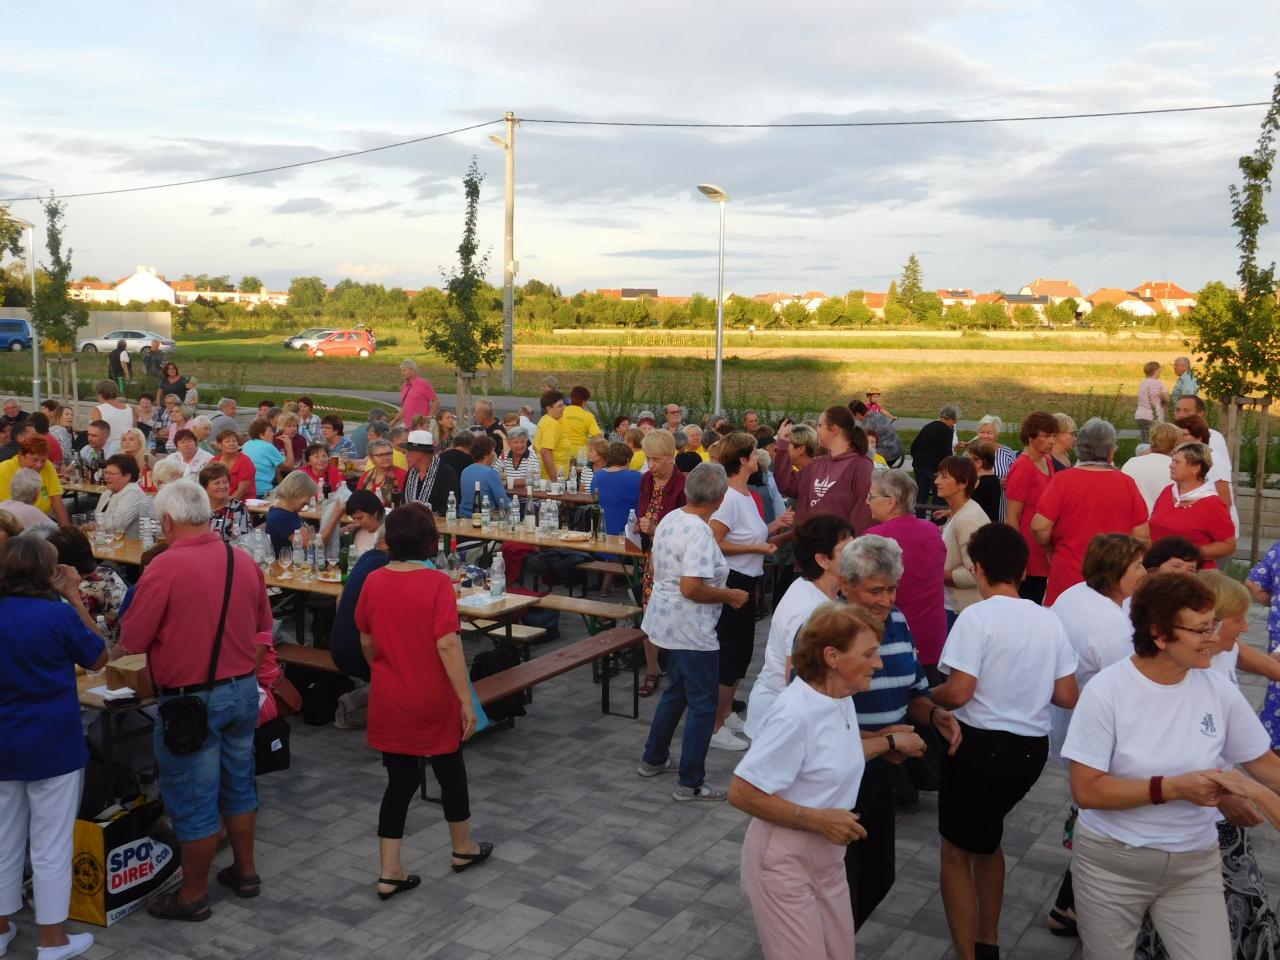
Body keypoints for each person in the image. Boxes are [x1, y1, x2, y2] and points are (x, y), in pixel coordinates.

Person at [1062, 572, 1280, 960]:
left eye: (1213, 625)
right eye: (1201, 629)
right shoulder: (1107, 692)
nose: (1213, 637)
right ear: (1160, 634)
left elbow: (1265, 765)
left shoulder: (1218, 690)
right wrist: (1173, 788)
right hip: (1113, 864)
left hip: (1195, 864)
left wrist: (1250, 789)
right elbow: (1087, 790)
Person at [120, 480, 273, 921]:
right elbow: (264, 627)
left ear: (168, 521)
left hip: (191, 701)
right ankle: (246, 873)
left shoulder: (164, 567)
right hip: (241, 690)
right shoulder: (242, 560)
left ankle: (192, 896)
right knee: (239, 787)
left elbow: (133, 638)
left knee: (193, 800)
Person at [931, 522, 1079, 960]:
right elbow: (1066, 695)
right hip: (1030, 751)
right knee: (987, 839)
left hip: (978, 748)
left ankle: (970, 953)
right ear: (1022, 570)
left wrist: (926, 696)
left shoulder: (977, 617)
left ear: (978, 569)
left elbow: (959, 692)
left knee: (955, 852)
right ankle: (989, 940)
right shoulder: (1048, 619)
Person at [730, 602, 908, 960]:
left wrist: (885, 739)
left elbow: (830, 750)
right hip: (782, 864)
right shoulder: (795, 714)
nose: (878, 663)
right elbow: (741, 792)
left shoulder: (840, 698)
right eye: (869, 654)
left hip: (827, 859)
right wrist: (818, 819)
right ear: (832, 656)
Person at [1130, 571, 1280, 960]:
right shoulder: (1165, 680)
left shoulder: (1222, 657)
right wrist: (1227, 792)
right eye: (1237, 620)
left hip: (1212, 820)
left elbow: (1262, 762)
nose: (1245, 627)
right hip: (1181, 829)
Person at [355, 503, 491, 896]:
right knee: (450, 771)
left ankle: (389, 870)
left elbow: (367, 641)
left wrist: (384, 667)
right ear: (427, 540)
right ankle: (462, 847)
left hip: (390, 694)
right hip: (432, 694)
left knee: (399, 782)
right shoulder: (436, 584)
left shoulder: (373, 581)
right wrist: (466, 700)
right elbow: (447, 645)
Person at [840, 535, 961, 927]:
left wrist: (934, 714)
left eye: (891, 589)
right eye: (875, 590)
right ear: (845, 585)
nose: (886, 600)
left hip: (881, 771)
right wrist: (884, 742)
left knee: (878, 876)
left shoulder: (897, 622)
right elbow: (814, 724)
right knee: (842, 882)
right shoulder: (827, 632)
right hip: (839, 777)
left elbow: (913, 692)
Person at [0, 535, 105, 960]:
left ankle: (1, 928)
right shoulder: (57, 615)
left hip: (5, 740)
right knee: (51, 844)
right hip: (53, 742)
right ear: (48, 571)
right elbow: (98, 655)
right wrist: (73, 597)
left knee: (3, 839)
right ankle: (52, 939)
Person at [1044, 533, 1148, 937]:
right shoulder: (1112, 629)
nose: (1145, 572)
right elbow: (1131, 694)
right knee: (1104, 818)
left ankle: (1068, 906)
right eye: (1138, 566)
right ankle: (1076, 905)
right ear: (1115, 573)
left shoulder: (1073, 594)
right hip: (1097, 737)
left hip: (1065, 723)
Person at [637, 463, 749, 801]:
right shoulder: (700, 532)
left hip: (665, 620)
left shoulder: (671, 518)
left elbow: (655, 565)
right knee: (703, 703)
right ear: (719, 498)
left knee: (678, 690)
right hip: (691, 627)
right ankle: (690, 781)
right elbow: (691, 587)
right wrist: (729, 595)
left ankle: (654, 757)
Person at [708, 434, 792, 750]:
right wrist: (757, 547)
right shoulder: (729, 497)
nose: (759, 458)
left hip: (748, 579)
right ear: (743, 460)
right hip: (733, 581)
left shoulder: (744, 495)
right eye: (754, 454)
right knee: (731, 653)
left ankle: (726, 712)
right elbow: (714, 542)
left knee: (742, 652)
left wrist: (775, 526)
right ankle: (714, 726)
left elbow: (748, 535)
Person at [745, 515, 854, 740]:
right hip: (782, 721)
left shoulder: (818, 590)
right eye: (848, 550)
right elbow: (796, 678)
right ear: (823, 560)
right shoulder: (809, 609)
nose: (858, 555)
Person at [1032, 417, 1150, 605]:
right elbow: (1142, 535)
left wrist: (1049, 548)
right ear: (1111, 450)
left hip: (1068, 578)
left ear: (1080, 447)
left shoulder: (1063, 480)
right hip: (1113, 579)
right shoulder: (1126, 483)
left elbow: (1040, 527)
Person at [864, 469, 949, 682]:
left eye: (871, 496)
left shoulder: (874, 539)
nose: (867, 502)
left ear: (890, 503)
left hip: (895, 640)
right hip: (933, 637)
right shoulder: (932, 531)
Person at [636, 429, 687, 696]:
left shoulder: (682, 485)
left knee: (675, 615)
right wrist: (640, 526)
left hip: (674, 561)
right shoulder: (646, 479)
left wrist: (656, 529)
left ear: (671, 456)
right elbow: (642, 511)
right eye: (648, 458)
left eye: (656, 459)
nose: (651, 465)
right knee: (649, 615)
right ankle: (652, 670)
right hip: (650, 557)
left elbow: (687, 528)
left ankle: (678, 670)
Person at [773, 405, 875, 539]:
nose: (817, 430)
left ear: (834, 429)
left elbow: (863, 516)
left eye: (820, 425)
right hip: (809, 547)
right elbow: (787, 486)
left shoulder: (862, 466)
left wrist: (851, 548)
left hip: (840, 548)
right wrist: (783, 445)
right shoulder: (818, 463)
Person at [1148, 442, 1236, 569]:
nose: (1171, 465)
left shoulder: (1212, 503)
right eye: (1172, 461)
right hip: (1159, 570)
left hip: (1193, 574)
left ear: (1195, 468)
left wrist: (1189, 554)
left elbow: (1228, 545)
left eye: (1177, 462)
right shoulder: (1168, 492)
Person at [1004, 411, 1061, 604]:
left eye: (1054, 436)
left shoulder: (1047, 460)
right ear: (1030, 437)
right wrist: (1018, 560)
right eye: (1046, 436)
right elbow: (1012, 517)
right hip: (1029, 555)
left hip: (1044, 549)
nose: (1051, 441)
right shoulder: (1023, 467)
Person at [46, 525, 130, 644]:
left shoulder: (79, 589)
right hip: (122, 641)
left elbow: (73, 630)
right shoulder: (106, 572)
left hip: (103, 646)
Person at [937, 455, 990, 618]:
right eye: (938, 476)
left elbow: (975, 573)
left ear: (963, 483)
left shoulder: (967, 519)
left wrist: (935, 573)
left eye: (944, 477)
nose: (937, 481)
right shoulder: (960, 512)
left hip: (962, 610)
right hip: (955, 607)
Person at [0, 436, 68, 525]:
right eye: (35, 460)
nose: (39, 465)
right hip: (11, 524)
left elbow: (56, 499)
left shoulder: (47, 466)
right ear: (21, 456)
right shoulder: (3, 470)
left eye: (43, 461)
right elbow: (9, 510)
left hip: (40, 520)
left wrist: (66, 529)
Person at [1123, 421, 1182, 512]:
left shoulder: (1131, 463)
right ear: (1176, 443)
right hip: (1165, 517)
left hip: (1134, 518)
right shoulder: (1178, 467)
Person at [910, 404, 960, 507]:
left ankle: (920, 515)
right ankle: (936, 516)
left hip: (919, 464)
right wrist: (946, 468)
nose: (954, 424)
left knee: (922, 493)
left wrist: (917, 458)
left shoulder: (928, 426)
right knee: (938, 494)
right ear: (951, 419)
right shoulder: (947, 431)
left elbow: (914, 446)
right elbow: (947, 453)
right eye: (955, 421)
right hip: (935, 468)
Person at [403, 430, 458, 516]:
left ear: (420, 454)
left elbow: (448, 509)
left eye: (408, 452)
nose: (406, 455)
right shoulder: (411, 473)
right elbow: (403, 501)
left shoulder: (446, 473)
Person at [93, 454, 148, 540]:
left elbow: (116, 526)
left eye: (111, 473)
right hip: (108, 542)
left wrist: (92, 526)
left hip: (130, 545)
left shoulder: (133, 494)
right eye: (106, 473)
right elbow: (97, 519)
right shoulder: (107, 493)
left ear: (127, 476)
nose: (106, 477)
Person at [265, 471, 317, 555]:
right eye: (308, 496)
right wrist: (334, 517)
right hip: (290, 562)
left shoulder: (286, 512)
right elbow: (311, 546)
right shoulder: (282, 517)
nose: (309, 502)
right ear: (296, 492)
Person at [458, 434, 508, 519]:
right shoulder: (491, 473)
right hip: (484, 518)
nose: (495, 454)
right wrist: (516, 506)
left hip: (464, 517)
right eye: (493, 451)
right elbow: (502, 501)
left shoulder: (465, 470)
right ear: (485, 454)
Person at [199, 462, 247, 541]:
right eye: (217, 483)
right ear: (205, 486)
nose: (222, 486)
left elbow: (242, 541)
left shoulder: (237, 507)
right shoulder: (198, 507)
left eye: (225, 482)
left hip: (227, 548)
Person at [851, 400, 904, 468]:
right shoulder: (875, 413)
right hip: (897, 448)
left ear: (857, 414)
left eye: (854, 416)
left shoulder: (867, 424)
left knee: (861, 458)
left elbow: (863, 446)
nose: (855, 419)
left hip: (889, 454)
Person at [240, 419, 285, 498]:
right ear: (261, 435)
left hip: (247, 490)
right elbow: (289, 466)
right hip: (262, 492)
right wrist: (288, 444)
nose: (273, 434)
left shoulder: (246, 444)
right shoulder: (267, 446)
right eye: (270, 431)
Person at [390, 359, 438, 429]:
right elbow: (405, 408)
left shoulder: (423, 383)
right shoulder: (405, 385)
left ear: (413, 371)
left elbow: (436, 402)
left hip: (421, 426)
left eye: (404, 370)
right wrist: (395, 421)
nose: (402, 373)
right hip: (408, 427)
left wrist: (428, 419)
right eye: (402, 371)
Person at [92, 380, 134, 457]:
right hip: (128, 451)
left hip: (108, 452)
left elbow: (96, 435)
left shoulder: (98, 409)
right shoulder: (130, 409)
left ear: (100, 395)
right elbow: (135, 432)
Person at [560, 386, 601, 464]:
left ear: (571, 398)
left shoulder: (561, 412)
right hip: (581, 455)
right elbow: (598, 437)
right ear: (584, 401)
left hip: (562, 453)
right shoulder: (588, 416)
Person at [215, 428, 256, 501]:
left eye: (234, 441)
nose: (232, 444)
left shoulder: (245, 461)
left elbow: (242, 490)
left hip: (242, 502)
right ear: (219, 445)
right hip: (219, 501)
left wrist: (226, 504)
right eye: (227, 441)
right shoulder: (214, 461)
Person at [534, 389, 567, 481]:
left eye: (563, 405)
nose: (563, 408)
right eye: (560, 406)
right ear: (549, 409)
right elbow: (545, 452)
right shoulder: (552, 424)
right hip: (551, 479)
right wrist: (555, 481)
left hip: (546, 477)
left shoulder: (545, 419)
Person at [1135, 361, 1170, 443]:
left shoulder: (1143, 383)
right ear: (1156, 370)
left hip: (1140, 415)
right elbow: (1167, 399)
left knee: (1145, 441)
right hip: (1153, 416)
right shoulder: (1158, 383)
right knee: (1155, 442)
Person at [966, 441, 1001, 522]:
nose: (970, 462)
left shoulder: (983, 480)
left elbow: (971, 506)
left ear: (985, 461)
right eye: (968, 459)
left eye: (975, 459)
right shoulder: (991, 478)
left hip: (980, 524)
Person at [495, 426, 533, 490]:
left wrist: (504, 482)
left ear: (526, 441)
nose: (520, 445)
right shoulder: (503, 456)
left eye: (522, 442)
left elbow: (531, 480)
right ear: (509, 443)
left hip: (525, 495)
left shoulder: (532, 457)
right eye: (516, 442)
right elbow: (493, 476)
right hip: (505, 494)